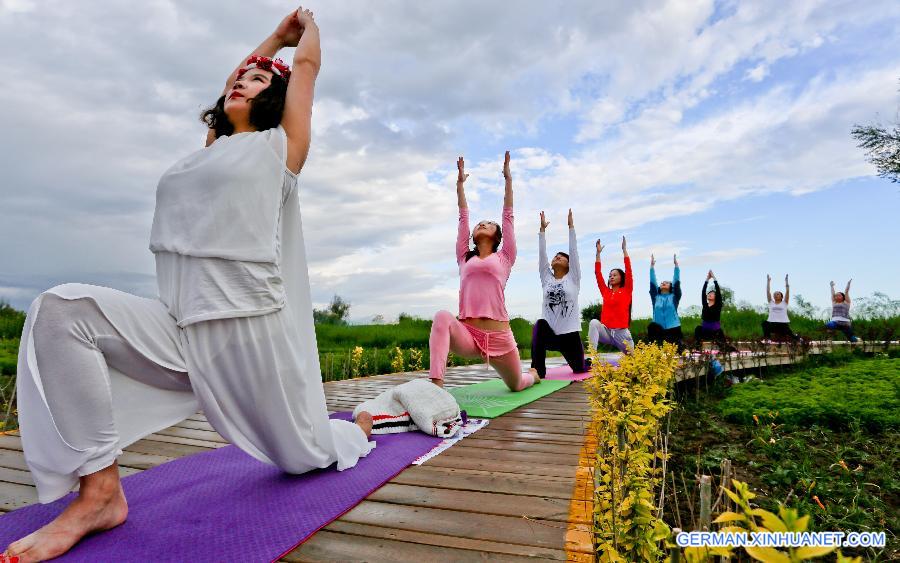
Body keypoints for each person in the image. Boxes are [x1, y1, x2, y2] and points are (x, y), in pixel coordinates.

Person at [4, 9, 375, 562]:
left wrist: (301, 29)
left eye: (256, 80)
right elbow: (233, 82)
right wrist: (265, 44)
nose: (241, 82)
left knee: (312, 453)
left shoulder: (280, 149)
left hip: (249, 343)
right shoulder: (211, 149)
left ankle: (364, 425)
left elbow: (307, 68)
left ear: (275, 97)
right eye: (239, 79)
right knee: (60, 310)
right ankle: (101, 493)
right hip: (180, 330)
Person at [428, 152, 539, 391]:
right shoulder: (464, 258)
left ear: (497, 236)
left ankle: (533, 375)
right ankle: (435, 388)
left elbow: (508, 216)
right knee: (442, 317)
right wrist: (460, 186)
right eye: (480, 223)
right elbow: (462, 218)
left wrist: (508, 180)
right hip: (468, 334)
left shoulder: (505, 256)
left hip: (499, 338)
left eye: (488, 224)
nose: (481, 224)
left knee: (517, 384)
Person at [530, 209, 587, 379]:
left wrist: (571, 227)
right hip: (551, 335)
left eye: (561, 257)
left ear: (569, 265)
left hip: (570, 336)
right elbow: (542, 256)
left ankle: (586, 362)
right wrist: (542, 231)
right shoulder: (546, 278)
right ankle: (538, 372)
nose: (557, 258)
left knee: (579, 369)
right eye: (555, 256)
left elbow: (574, 252)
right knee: (539, 325)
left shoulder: (573, 278)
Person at [588, 236, 634, 354]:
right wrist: (598, 253)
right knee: (594, 322)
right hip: (607, 332)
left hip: (622, 334)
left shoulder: (627, 290)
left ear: (621, 277)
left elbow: (628, 270)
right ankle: (592, 356)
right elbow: (598, 274)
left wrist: (624, 250)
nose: (611, 277)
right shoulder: (606, 291)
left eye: (615, 275)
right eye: (610, 275)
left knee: (634, 362)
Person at [647, 254, 683, 347]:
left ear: (671, 287)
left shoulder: (674, 296)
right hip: (658, 329)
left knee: (676, 351)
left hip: (673, 328)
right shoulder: (655, 296)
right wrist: (651, 267)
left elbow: (676, 282)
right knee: (651, 327)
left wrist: (676, 266)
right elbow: (653, 282)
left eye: (666, 282)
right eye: (662, 282)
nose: (663, 283)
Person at [694, 270, 728, 347]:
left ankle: (724, 348)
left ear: (716, 297)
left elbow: (718, 292)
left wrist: (714, 278)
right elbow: (703, 292)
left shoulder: (718, 305)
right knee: (697, 328)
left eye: (712, 294)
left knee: (724, 347)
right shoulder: (705, 304)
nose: (710, 294)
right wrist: (707, 280)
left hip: (715, 332)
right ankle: (698, 347)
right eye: (709, 293)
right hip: (705, 332)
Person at [762, 274, 799, 342]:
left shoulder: (784, 303)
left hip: (783, 324)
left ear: (781, 296)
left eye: (777, 294)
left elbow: (787, 291)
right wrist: (768, 282)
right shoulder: (771, 303)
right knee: (765, 323)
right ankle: (767, 339)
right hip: (773, 324)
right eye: (774, 294)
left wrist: (786, 281)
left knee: (792, 335)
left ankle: (799, 339)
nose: (775, 295)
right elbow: (768, 291)